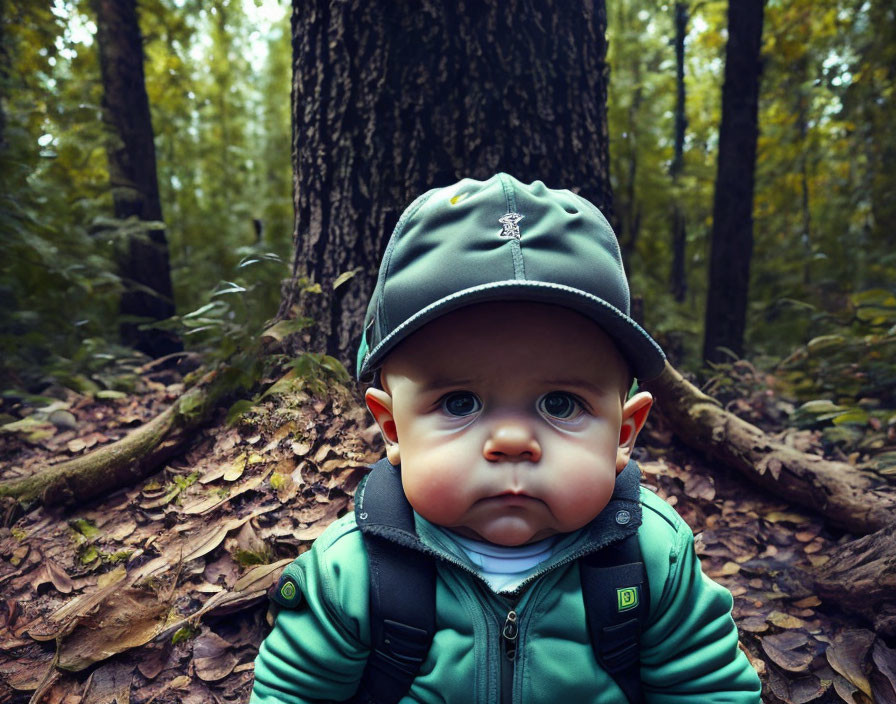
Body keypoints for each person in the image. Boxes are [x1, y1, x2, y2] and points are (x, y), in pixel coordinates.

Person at [250, 174, 762, 703]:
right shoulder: (353, 573)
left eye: (561, 404)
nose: (513, 441)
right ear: (393, 428)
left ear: (623, 434)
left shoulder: (653, 558)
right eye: (459, 403)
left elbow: (709, 690)